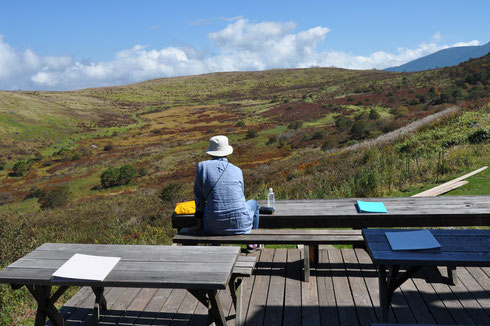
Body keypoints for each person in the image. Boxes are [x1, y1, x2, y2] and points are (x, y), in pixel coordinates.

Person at [194, 135, 261, 250]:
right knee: (254, 203)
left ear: (210, 152)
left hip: (212, 227)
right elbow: (241, 194)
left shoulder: (202, 167)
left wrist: (199, 221)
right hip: (240, 225)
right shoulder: (237, 170)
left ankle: (215, 245)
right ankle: (252, 243)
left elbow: (199, 198)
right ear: (227, 152)